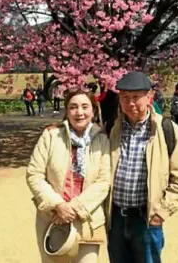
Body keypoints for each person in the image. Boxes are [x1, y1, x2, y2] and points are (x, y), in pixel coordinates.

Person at [105, 71, 178, 263]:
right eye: (125, 98)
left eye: (136, 97)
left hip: (146, 219)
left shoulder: (166, 129)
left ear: (149, 97)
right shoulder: (111, 127)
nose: (130, 103)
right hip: (116, 218)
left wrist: (161, 213)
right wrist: (58, 128)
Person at [26, 88, 111, 263]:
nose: (79, 112)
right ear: (66, 110)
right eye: (73, 107)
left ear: (93, 111)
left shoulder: (102, 140)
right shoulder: (51, 136)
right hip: (53, 218)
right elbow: (34, 174)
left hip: (88, 218)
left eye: (84, 107)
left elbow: (104, 181)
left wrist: (74, 207)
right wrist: (58, 205)